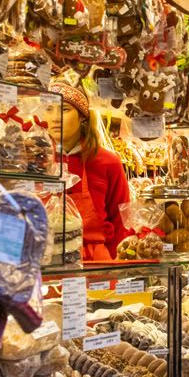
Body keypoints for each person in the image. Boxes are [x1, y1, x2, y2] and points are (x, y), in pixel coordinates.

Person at [52, 82, 129, 262]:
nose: (55, 118)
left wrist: (117, 266)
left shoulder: (108, 162)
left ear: (82, 116)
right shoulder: (35, 161)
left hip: (95, 264)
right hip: (46, 263)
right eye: (48, 108)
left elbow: (121, 222)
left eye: (63, 110)